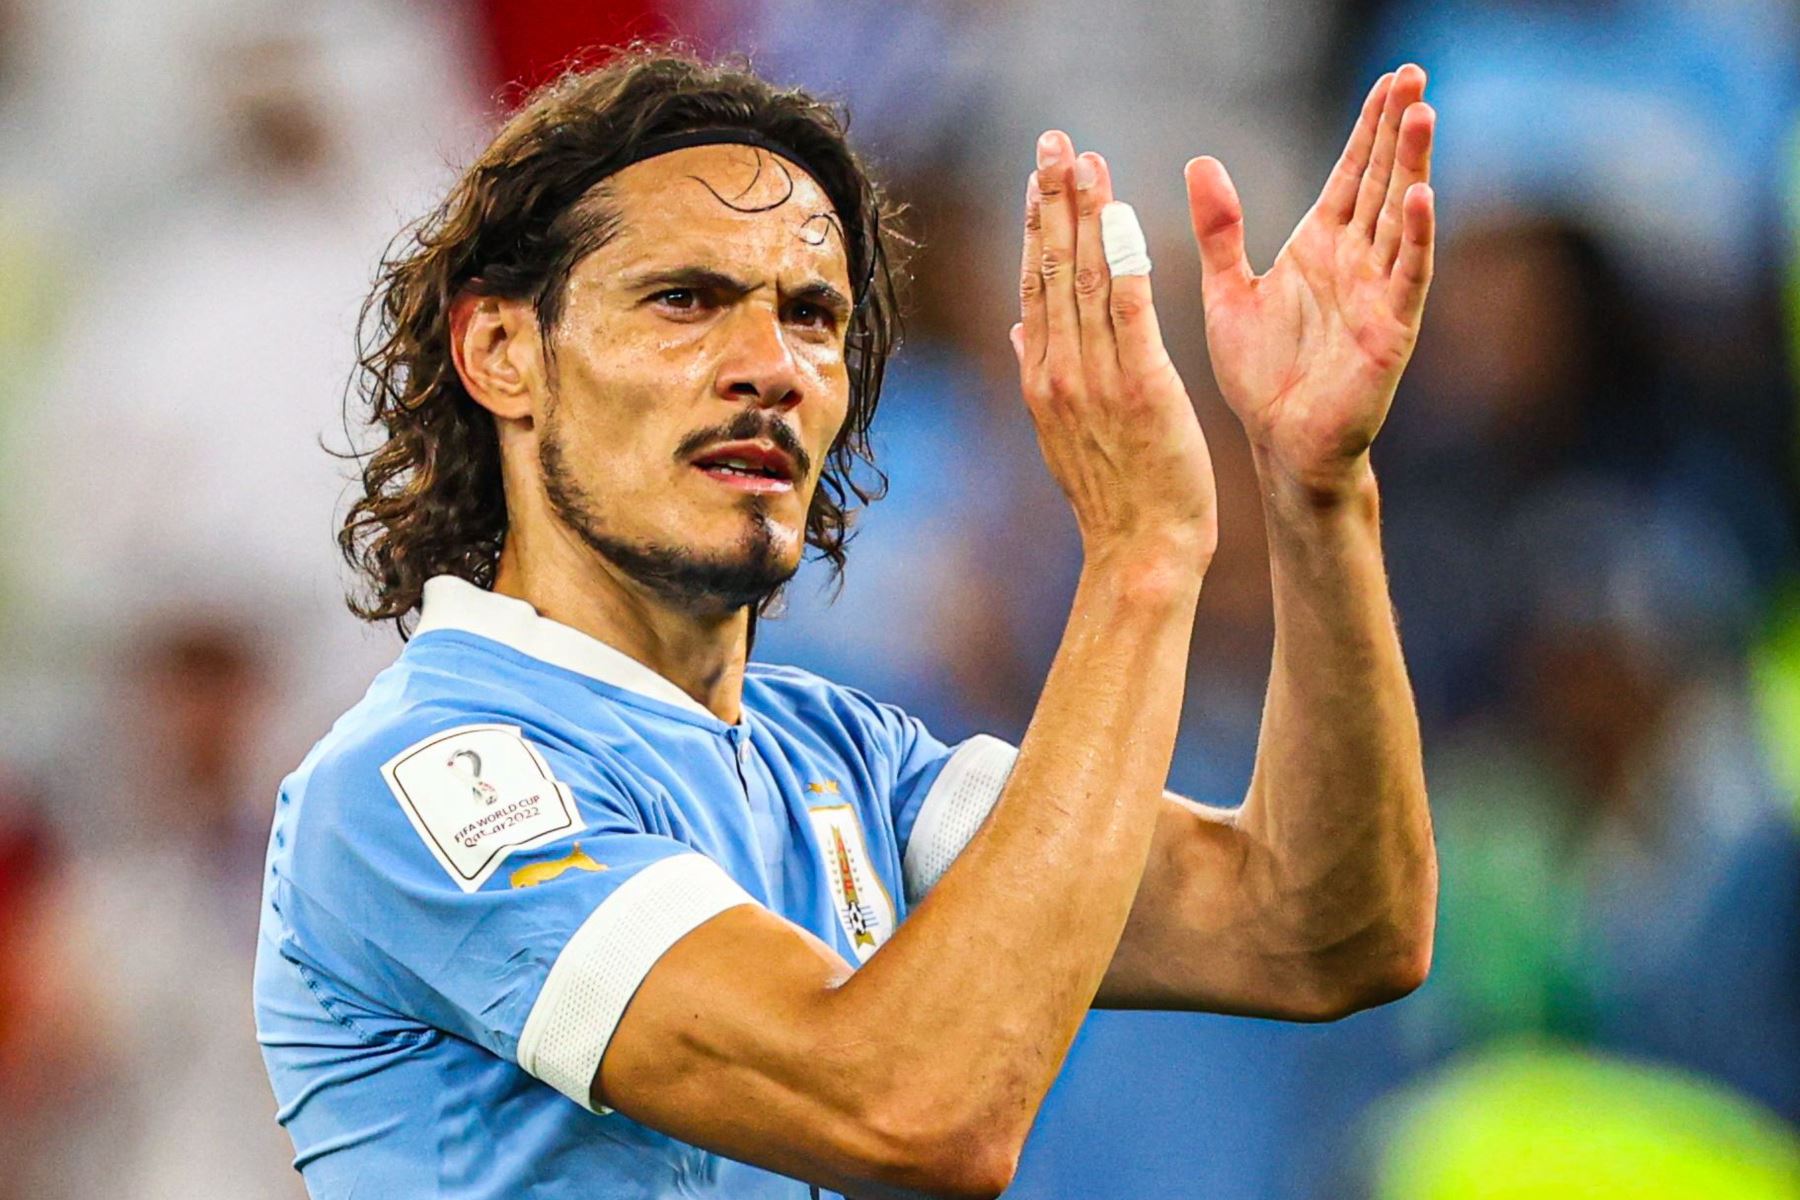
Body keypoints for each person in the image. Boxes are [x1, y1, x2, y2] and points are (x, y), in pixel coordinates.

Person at [253, 47, 1439, 1199]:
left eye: (813, 316)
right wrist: (1139, 558)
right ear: (503, 350)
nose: (770, 366)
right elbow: (912, 1109)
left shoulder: (848, 759)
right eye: (684, 300)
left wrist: (1317, 489)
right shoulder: (418, 785)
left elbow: (1320, 930)